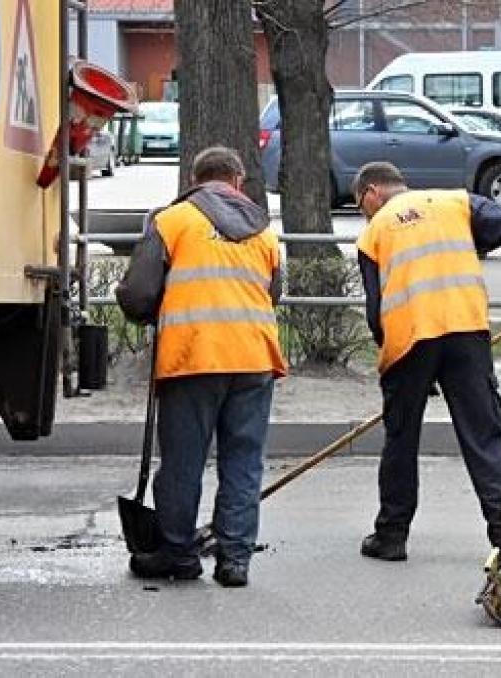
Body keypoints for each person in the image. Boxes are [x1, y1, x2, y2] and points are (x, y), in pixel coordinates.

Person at [352, 161, 501, 561]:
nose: (364, 212)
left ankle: (391, 535)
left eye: (361, 205)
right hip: (466, 332)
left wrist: (396, 366)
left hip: (410, 339)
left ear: (372, 192)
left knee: (401, 438)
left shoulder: (374, 231)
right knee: (483, 436)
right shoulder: (457, 203)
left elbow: (377, 310)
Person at [116, 146, 286, 588]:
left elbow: (137, 295)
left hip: (193, 358)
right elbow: (274, 294)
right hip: (253, 359)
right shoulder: (264, 232)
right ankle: (234, 561)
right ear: (237, 180)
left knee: (182, 463)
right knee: (244, 462)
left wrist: (153, 309)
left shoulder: (171, 221)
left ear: (195, 179)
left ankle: (178, 555)